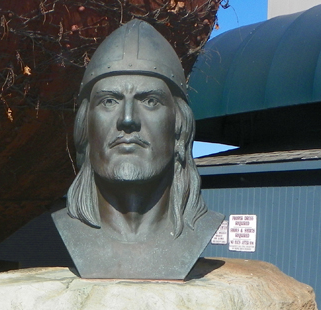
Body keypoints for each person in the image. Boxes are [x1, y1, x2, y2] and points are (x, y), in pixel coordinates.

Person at [52, 19, 224, 280]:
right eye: (109, 101)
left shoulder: (203, 227)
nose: (128, 119)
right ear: (85, 127)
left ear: (179, 128)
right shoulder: (64, 226)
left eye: (150, 101)